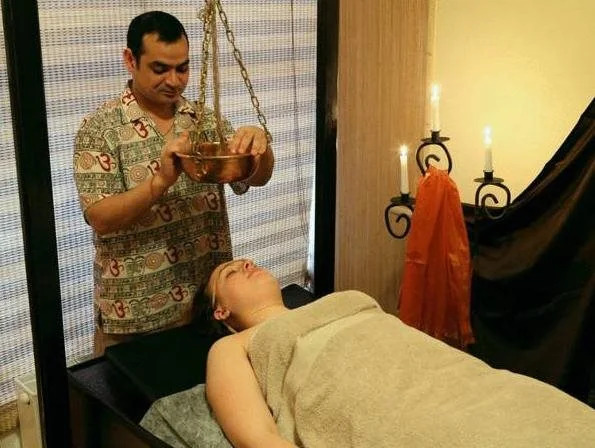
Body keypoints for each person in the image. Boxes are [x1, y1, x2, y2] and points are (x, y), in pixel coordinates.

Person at [204, 259, 595, 448]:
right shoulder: (232, 346)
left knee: (543, 416)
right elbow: (259, 439)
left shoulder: (331, 301)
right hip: (379, 403)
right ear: (221, 310)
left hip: (446, 375)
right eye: (230, 272)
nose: (246, 263)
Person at [73, 11, 273, 355]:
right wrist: (160, 182)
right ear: (130, 60)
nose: (174, 80)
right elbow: (100, 217)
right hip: (135, 314)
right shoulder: (100, 128)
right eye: (160, 68)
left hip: (205, 304)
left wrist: (260, 149)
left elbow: (253, 179)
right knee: (131, 391)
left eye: (182, 68)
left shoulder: (203, 119)